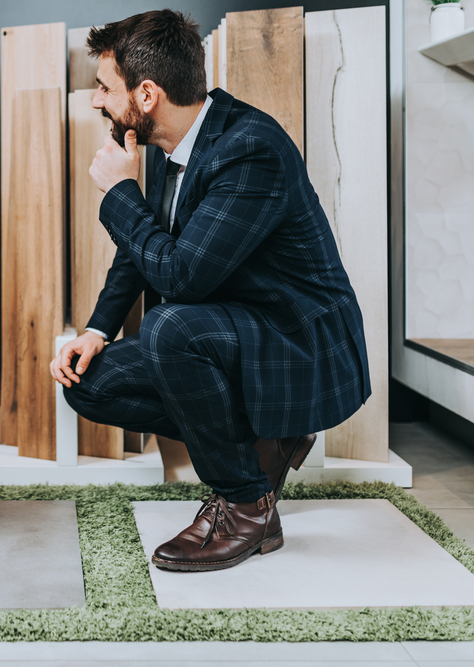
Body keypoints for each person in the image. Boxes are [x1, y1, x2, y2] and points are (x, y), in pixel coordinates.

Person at [51, 10, 370, 572]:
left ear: (146, 94)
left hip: (301, 340)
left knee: (169, 325)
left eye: (104, 89)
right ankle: (266, 443)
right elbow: (141, 250)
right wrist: (97, 330)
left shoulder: (249, 148)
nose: (97, 101)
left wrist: (118, 194)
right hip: (239, 330)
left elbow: (179, 277)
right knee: (90, 383)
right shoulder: (166, 142)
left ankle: (247, 508)